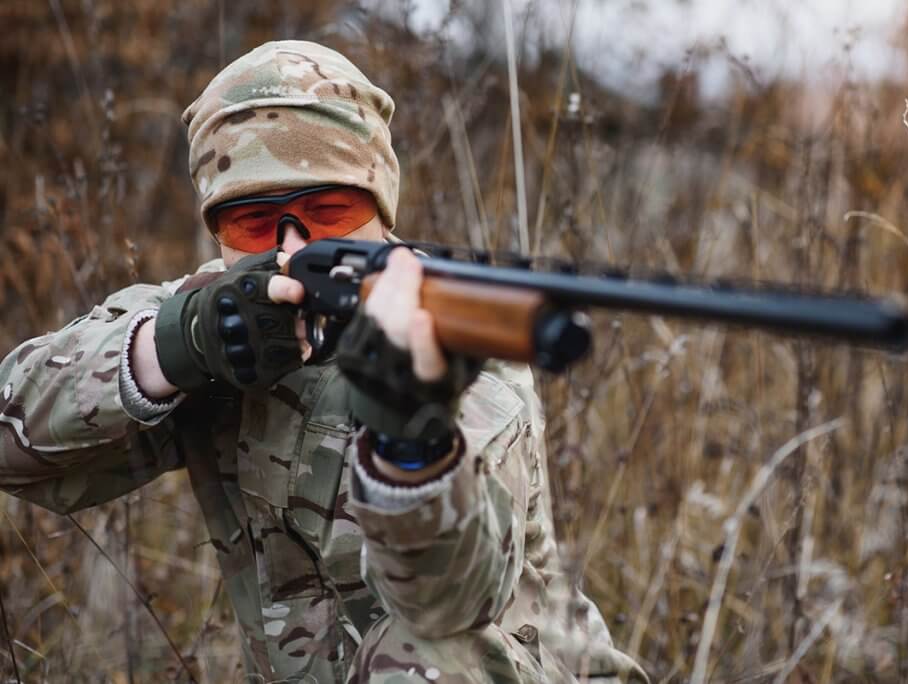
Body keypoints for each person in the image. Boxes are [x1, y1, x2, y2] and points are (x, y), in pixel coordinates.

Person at [0, 41, 646, 682]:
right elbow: (12, 439)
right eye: (254, 222)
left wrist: (413, 441)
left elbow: (452, 608)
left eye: (330, 212)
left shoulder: (446, 326)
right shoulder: (214, 308)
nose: (293, 246)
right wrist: (172, 347)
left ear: (379, 208)